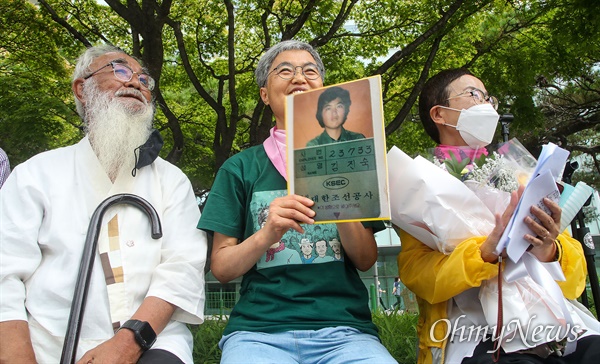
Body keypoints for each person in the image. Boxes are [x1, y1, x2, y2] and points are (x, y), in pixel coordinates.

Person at [0, 45, 207, 364]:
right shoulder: (35, 174)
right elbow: (5, 272)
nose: (137, 82)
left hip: (151, 340)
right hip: (48, 342)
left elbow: (183, 268)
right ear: (82, 89)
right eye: (120, 70)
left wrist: (127, 344)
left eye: (144, 79)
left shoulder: (172, 180)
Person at [198, 40, 397, 363]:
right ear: (265, 94)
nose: (299, 77)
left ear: (323, 87)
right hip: (257, 333)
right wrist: (267, 233)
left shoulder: (355, 155)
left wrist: (340, 206)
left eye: (310, 71)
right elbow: (221, 268)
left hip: (345, 332)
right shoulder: (240, 168)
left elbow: (365, 260)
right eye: (284, 70)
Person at [397, 68, 599, 363]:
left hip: (551, 316)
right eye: (473, 94)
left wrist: (548, 247)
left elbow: (575, 280)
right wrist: (484, 253)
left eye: (488, 97)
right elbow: (420, 276)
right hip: (473, 327)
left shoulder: (517, 171)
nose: (487, 105)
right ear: (439, 114)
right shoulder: (418, 184)